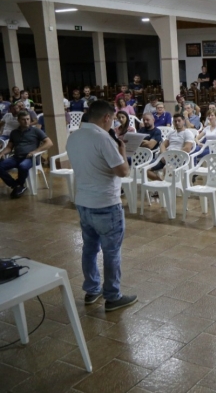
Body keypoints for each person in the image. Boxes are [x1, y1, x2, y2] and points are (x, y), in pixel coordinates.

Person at [65, 100, 136, 311]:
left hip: (84, 202)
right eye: (112, 119)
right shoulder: (103, 139)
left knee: (89, 248)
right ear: (107, 117)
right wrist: (122, 151)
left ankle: (92, 289)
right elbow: (123, 172)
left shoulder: (73, 137)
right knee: (111, 251)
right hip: (105, 203)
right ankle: (113, 296)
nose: (112, 123)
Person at [0, 110, 53, 198]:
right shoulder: (14, 132)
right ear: (19, 120)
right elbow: (9, 147)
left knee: (23, 166)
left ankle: (19, 185)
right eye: (23, 119)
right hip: (16, 157)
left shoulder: (35, 130)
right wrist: (2, 153)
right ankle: (16, 185)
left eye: (28, 119)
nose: (26, 121)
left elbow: (49, 143)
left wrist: (35, 151)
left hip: (31, 158)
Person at [147, 114, 195, 181]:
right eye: (175, 121)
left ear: (183, 121)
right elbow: (163, 145)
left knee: (167, 169)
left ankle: (165, 187)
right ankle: (161, 183)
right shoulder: (171, 133)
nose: (177, 123)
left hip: (178, 158)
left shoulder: (187, 133)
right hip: (166, 157)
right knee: (145, 168)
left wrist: (172, 156)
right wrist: (164, 155)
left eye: (179, 121)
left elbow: (187, 148)